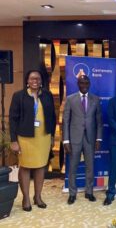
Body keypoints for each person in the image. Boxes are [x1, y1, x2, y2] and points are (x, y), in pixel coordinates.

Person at [9, 70, 56, 211]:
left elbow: (53, 116)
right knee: (25, 166)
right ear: (27, 81)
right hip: (25, 137)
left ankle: (38, 197)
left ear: (41, 80)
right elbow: (12, 119)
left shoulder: (47, 95)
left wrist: (52, 135)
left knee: (41, 166)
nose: (35, 80)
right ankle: (26, 198)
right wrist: (13, 140)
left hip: (43, 137)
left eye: (38, 78)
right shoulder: (19, 96)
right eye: (32, 78)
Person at [63, 75, 103, 205]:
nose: (84, 84)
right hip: (74, 138)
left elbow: (99, 121)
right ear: (78, 84)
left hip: (90, 139)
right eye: (82, 82)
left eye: (86, 82)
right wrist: (66, 141)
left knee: (90, 166)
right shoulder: (70, 99)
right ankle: (72, 193)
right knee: (73, 166)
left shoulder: (95, 99)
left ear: (89, 84)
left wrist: (98, 138)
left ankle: (89, 192)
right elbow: (66, 121)